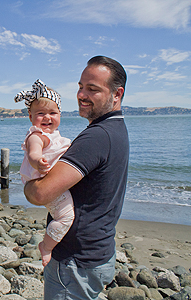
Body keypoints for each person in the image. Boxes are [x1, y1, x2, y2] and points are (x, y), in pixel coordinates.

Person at [24, 56, 129, 300]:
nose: (82, 94)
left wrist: (28, 184)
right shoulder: (116, 129)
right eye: (81, 86)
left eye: (93, 89)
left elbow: (41, 194)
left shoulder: (96, 137)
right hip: (97, 251)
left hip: (75, 261)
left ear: (117, 94)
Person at [14, 80, 74, 267]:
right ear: (31, 117)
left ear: (60, 114)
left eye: (53, 113)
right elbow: (34, 152)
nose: (47, 117)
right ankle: (46, 246)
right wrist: (38, 162)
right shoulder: (37, 136)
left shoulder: (55, 135)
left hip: (53, 181)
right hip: (44, 182)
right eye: (41, 113)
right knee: (66, 217)